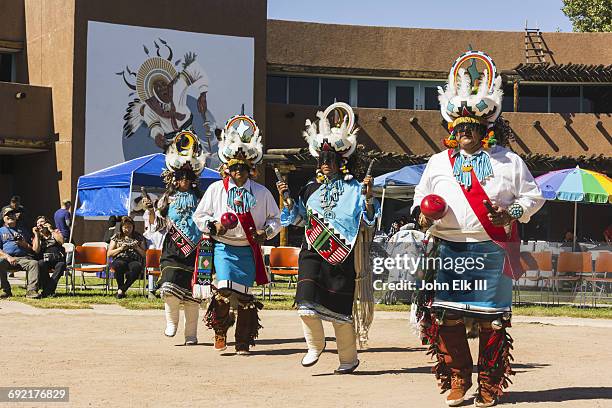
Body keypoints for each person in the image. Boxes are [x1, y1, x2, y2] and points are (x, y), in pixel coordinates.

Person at [412, 51, 545, 407]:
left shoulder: (508, 160)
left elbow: (534, 197)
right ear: (451, 129)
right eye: (458, 127)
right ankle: (458, 376)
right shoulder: (437, 163)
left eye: (471, 126)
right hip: (447, 248)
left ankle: (489, 383)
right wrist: (423, 217)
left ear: (486, 127)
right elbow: (420, 197)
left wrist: (510, 213)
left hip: (491, 247)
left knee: (493, 323)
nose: (464, 132)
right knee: (447, 317)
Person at [278, 102, 380, 374]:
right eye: (321, 159)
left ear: (341, 160)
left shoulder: (356, 188)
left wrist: (369, 199)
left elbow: (369, 220)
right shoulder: (309, 188)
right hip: (312, 249)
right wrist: (288, 203)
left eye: (330, 159)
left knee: (339, 311)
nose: (325, 164)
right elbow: (298, 219)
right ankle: (315, 345)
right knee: (304, 303)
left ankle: (348, 359)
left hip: (340, 253)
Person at [193, 113, 281, 355]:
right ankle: (220, 330)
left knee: (244, 297)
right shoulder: (215, 190)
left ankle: (243, 341)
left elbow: (276, 219)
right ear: (227, 169)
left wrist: (267, 231)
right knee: (222, 289)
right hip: (223, 247)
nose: (238, 172)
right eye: (234, 168)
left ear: (250, 169)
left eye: (243, 168)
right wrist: (214, 227)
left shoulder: (262, 193)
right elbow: (199, 216)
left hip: (249, 249)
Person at [144, 130, 209, 345]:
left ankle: (191, 335)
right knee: (169, 285)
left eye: (188, 178)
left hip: (197, 250)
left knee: (193, 296)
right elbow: (160, 223)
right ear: (174, 179)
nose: (184, 181)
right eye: (181, 178)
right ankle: (171, 323)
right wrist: (151, 211)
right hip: (173, 247)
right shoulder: (167, 198)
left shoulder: (202, 198)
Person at [0, 207, 42, 298]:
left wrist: (25, 244)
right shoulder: (0, 231)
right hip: (7, 259)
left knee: (34, 263)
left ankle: (31, 291)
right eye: (8, 214)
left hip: (23, 259)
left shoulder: (23, 230)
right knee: (0, 262)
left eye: (13, 214)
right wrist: (8, 257)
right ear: (3, 217)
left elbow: (34, 249)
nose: (11, 216)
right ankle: (5, 290)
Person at [107, 216, 146, 298]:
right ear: (121, 227)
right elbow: (109, 253)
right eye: (125, 227)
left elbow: (144, 254)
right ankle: (121, 289)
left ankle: (122, 289)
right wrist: (121, 248)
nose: (127, 229)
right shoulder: (117, 236)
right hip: (120, 258)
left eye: (129, 227)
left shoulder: (138, 237)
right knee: (118, 265)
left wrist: (137, 248)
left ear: (133, 227)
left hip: (134, 259)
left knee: (137, 267)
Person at [31, 216, 66, 297]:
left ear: (47, 223)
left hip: (57, 259)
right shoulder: (37, 236)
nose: (40, 224)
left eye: (42, 222)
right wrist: (36, 235)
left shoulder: (55, 232)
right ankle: (49, 290)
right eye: (38, 223)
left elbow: (61, 242)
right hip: (45, 260)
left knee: (61, 265)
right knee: (40, 263)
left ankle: (47, 290)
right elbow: (36, 250)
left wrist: (51, 230)